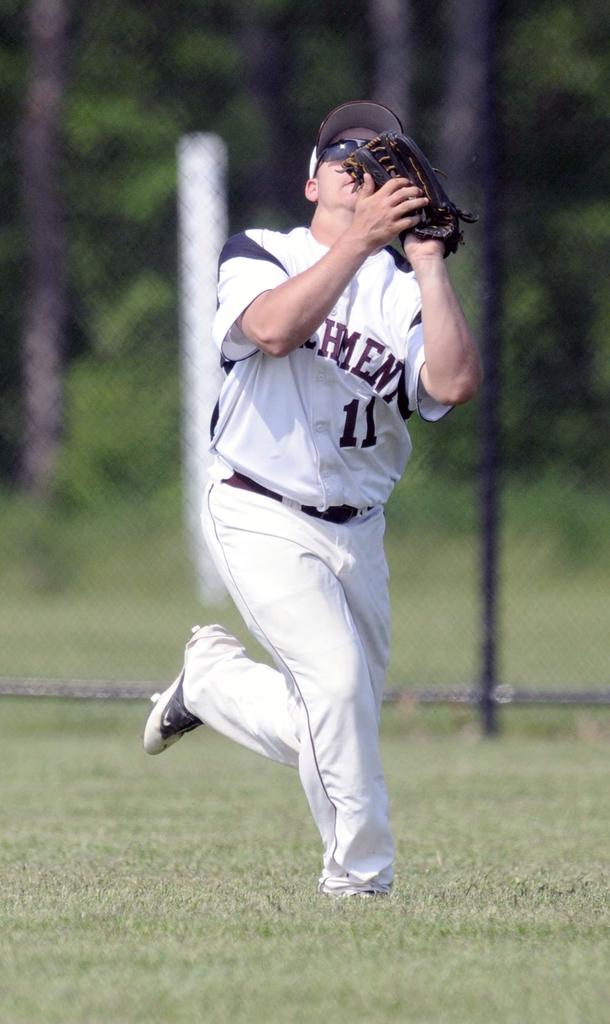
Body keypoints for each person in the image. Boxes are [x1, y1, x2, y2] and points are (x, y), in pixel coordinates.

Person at [143, 100, 482, 898]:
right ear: (311, 183)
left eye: (379, 158)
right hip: (258, 507)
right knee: (336, 690)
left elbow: (452, 383)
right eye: (344, 156)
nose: (361, 168)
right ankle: (359, 883)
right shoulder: (262, 250)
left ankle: (213, 685)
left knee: (338, 719)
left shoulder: (402, 292)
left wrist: (429, 264)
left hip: (359, 530)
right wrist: (361, 240)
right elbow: (271, 330)